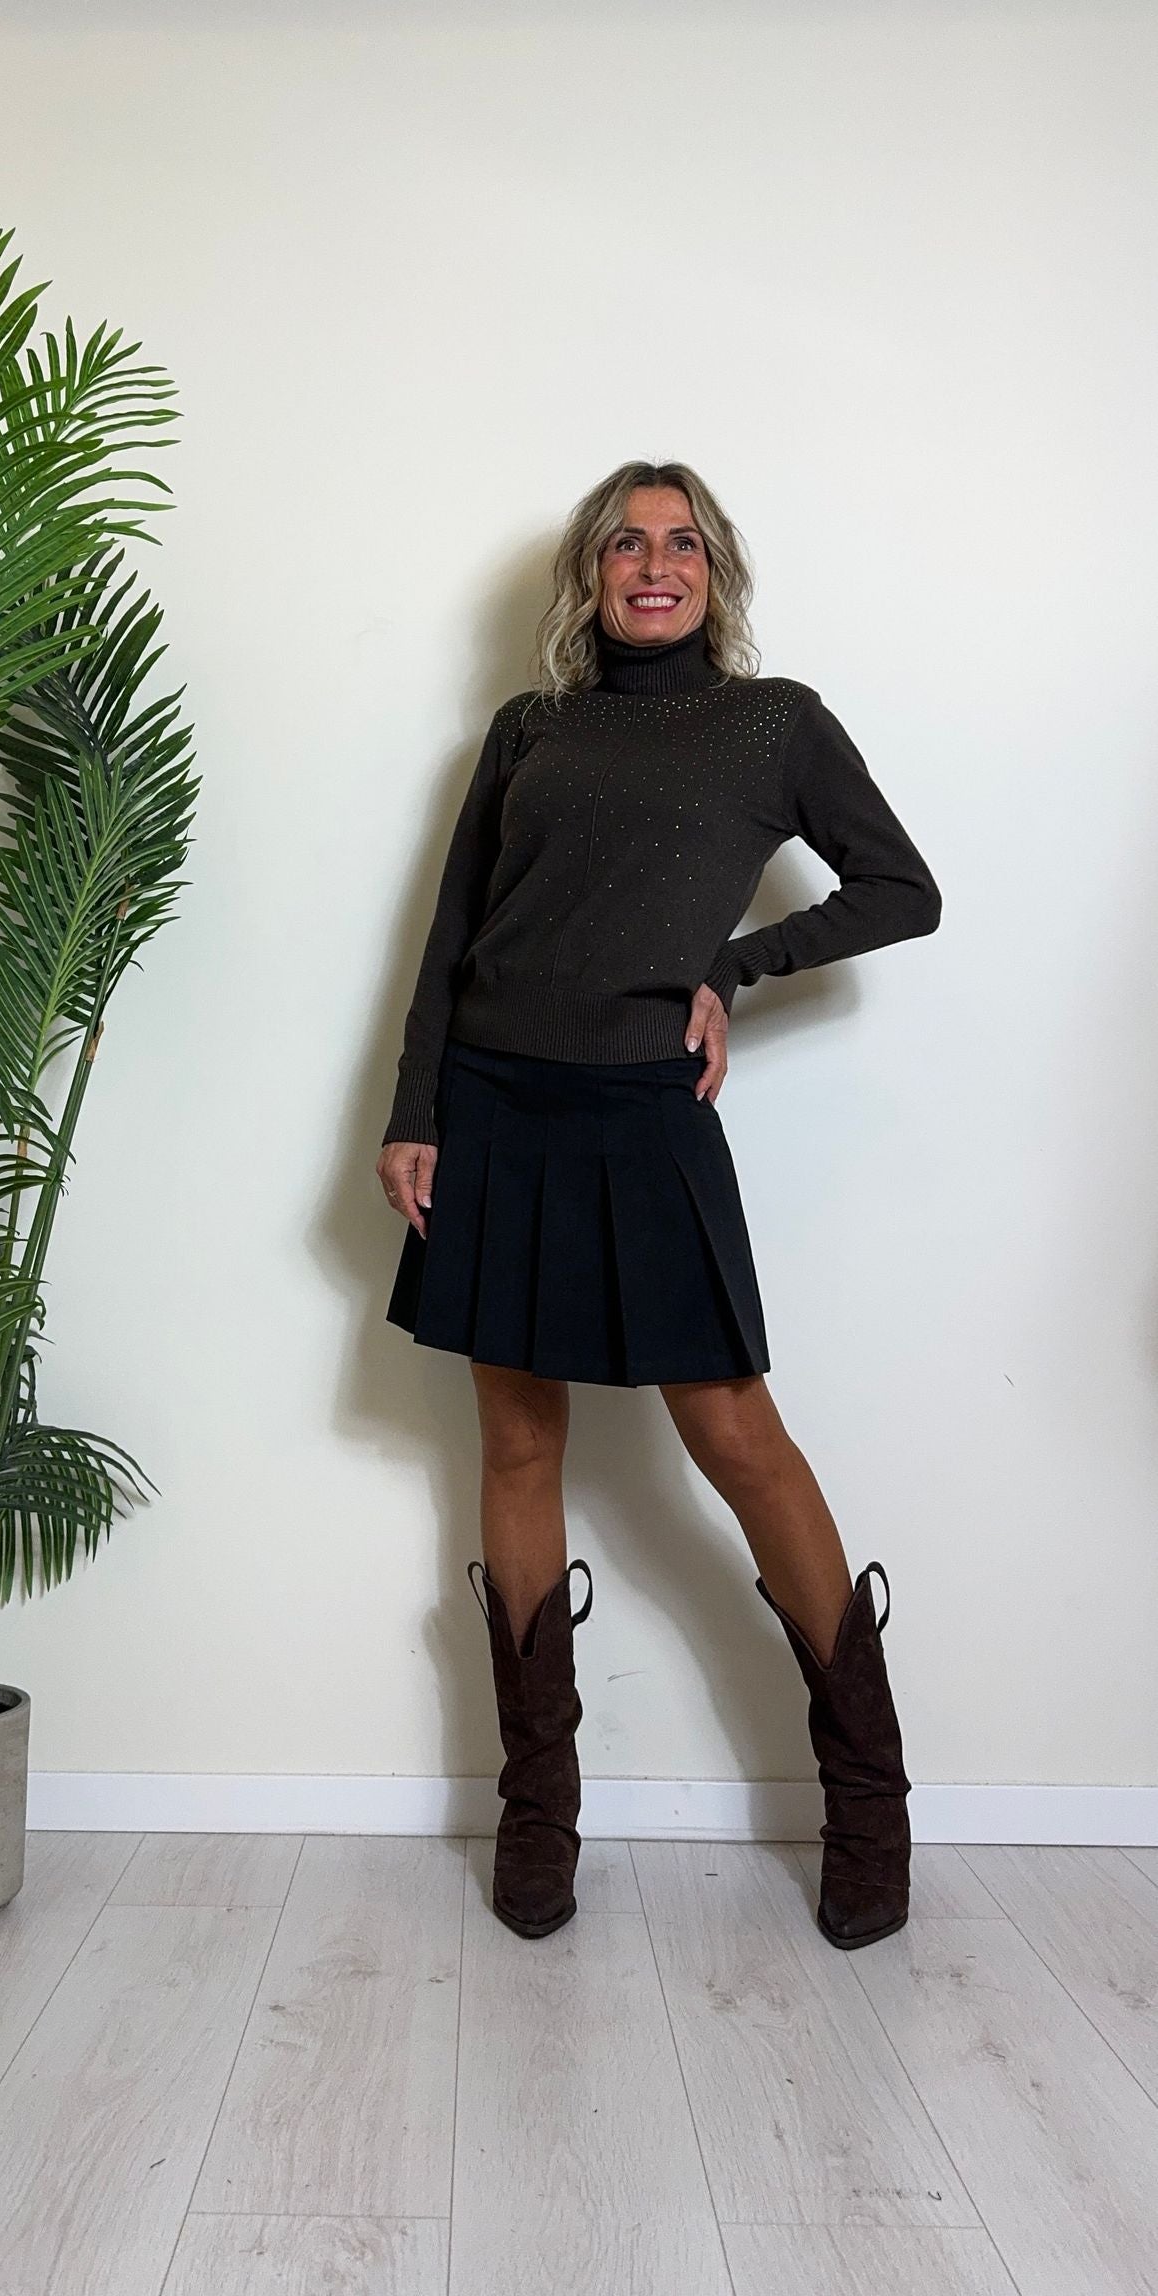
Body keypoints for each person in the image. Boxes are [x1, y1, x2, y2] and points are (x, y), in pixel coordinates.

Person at [376, 460, 942, 1951]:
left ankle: (870, 1804)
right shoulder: (530, 728)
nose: (653, 564)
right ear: (591, 573)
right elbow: (451, 932)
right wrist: (416, 1112)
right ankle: (539, 1809)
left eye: (682, 543)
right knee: (515, 1438)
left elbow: (903, 888)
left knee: (735, 1433)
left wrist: (734, 969)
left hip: (644, 1115)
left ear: (714, 572)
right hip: (496, 1106)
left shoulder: (774, 722)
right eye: (626, 543)